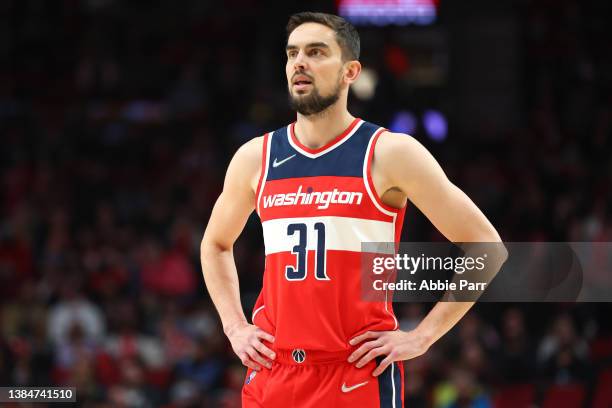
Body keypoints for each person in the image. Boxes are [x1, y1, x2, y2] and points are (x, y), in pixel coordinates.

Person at [201, 11, 506, 407]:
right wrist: (234, 327)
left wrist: (422, 335)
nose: (300, 63)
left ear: (350, 71)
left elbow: (486, 246)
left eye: (316, 52)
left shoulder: (390, 153)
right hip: (273, 374)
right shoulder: (255, 158)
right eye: (292, 53)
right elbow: (215, 245)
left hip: (354, 374)